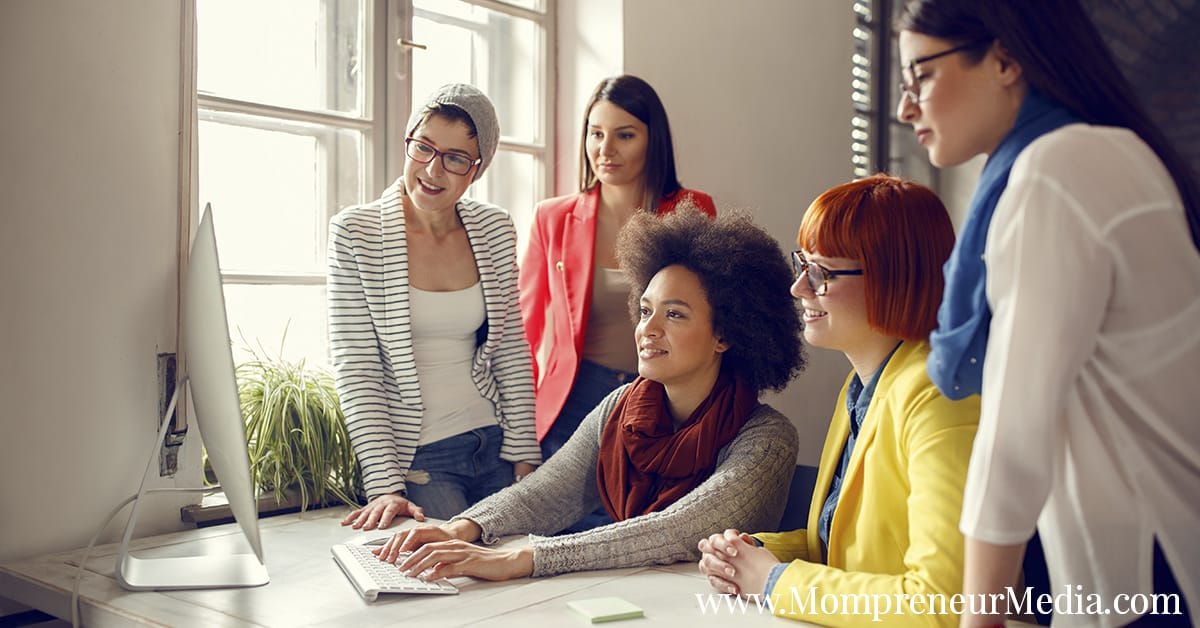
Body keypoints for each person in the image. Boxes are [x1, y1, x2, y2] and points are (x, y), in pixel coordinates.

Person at [895, 2, 1200, 626]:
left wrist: (979, 618)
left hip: (1145, 570)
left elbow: (1015, 434)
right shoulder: (1108, 155)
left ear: (1005, 60)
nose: (905, 107)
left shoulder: (1056, 170)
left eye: (920, 75)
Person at [371, 207, 804, 582]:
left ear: (725, 335)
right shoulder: (620, 407)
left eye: (674, 314)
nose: (648, 329)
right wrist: (461, 528)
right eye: (645, 310)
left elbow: (676, 530)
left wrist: (522, 558)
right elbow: (546, 492)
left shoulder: (768, 439)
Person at [697, 175, 980, 627]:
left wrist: (773, 581)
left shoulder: (938, 398)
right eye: (802, 265)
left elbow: (940, 602)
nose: (799, 289)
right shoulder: (862, 383)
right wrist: (753, 554)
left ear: (892, 277)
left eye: (821, 273)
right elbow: (853, 549)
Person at [327, 84, 541, 524]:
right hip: (422, 456)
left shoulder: (495, 228)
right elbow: (357, 368)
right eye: (423, 147)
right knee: (452, 562)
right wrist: (385, 486)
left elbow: (510, 349)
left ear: (476, 169)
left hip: (494, 442)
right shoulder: (356, 233)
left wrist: (525, 458)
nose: (432, 169)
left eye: (455, 158)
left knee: (522, 556)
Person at [519, 75, 717, 470]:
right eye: (596, 134)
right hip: (574, 404)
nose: (605, 150)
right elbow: (525, 331)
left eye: (624, 135)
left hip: (665, 398)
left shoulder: (693, 211)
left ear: (652, 140)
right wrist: (520, 439)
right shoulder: (552, 218)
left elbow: (713, 319)